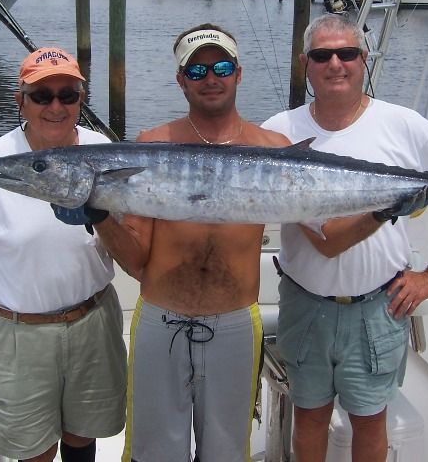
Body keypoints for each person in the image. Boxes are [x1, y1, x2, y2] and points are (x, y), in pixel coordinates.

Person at [65, 23, 290, 462]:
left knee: (226, 453)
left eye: (221, 67)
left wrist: (382, 210)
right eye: (197, 69)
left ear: (239, 74)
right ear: (181, 79)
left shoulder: (274, 148)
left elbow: (324, 226)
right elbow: (136, 261)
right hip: (159, 324)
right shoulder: (152, 145)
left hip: (235, 327)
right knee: (154, 454)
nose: (211, 78)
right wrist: (99, 216)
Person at [261, 13, 428, 462]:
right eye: (322, 55)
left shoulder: (407, 127)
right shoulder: (278, 130)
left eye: (348, 53)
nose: (335, 63)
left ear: (364, 60)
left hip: (380, 304)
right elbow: (325, 239)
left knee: (369, 418)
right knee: (310, 415)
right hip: (305, 301)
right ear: (306, 63)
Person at [0, 47, 127, 462]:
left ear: (81, 100)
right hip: (18, 333)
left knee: (83, 436)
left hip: (94, 320)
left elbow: (126, 236)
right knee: (36, 452)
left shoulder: (107, 152)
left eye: (68, 94)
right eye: (41, 96)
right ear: (20, 101)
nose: (55, 106)